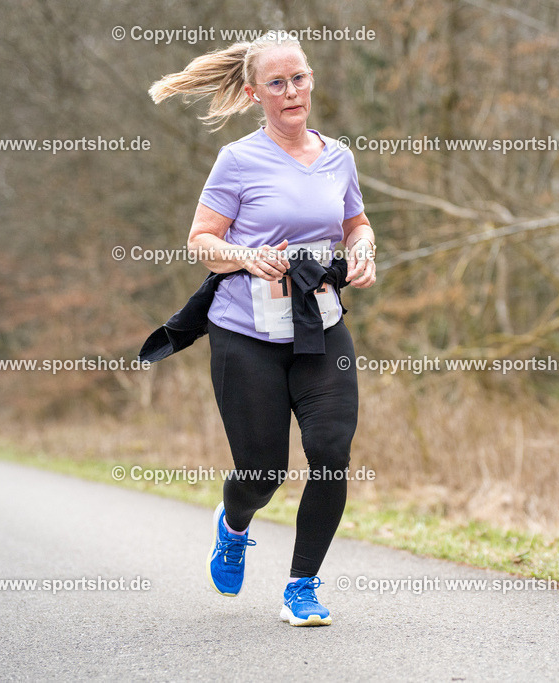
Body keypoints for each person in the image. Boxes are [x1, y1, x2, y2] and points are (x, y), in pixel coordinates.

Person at [149, 33, 376, 626]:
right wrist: (246, 256)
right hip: (245, 334)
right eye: (277, 83)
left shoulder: (338, 156)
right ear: (254, 94)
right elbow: (201, 241)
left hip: (319, 327)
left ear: (311, 79)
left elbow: (355, 222)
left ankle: (302, 586)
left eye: (299, 78)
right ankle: (233, 525)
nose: (291, 91)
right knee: (262, 471)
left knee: (330, 452)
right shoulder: (238, 160)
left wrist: (363, 249)